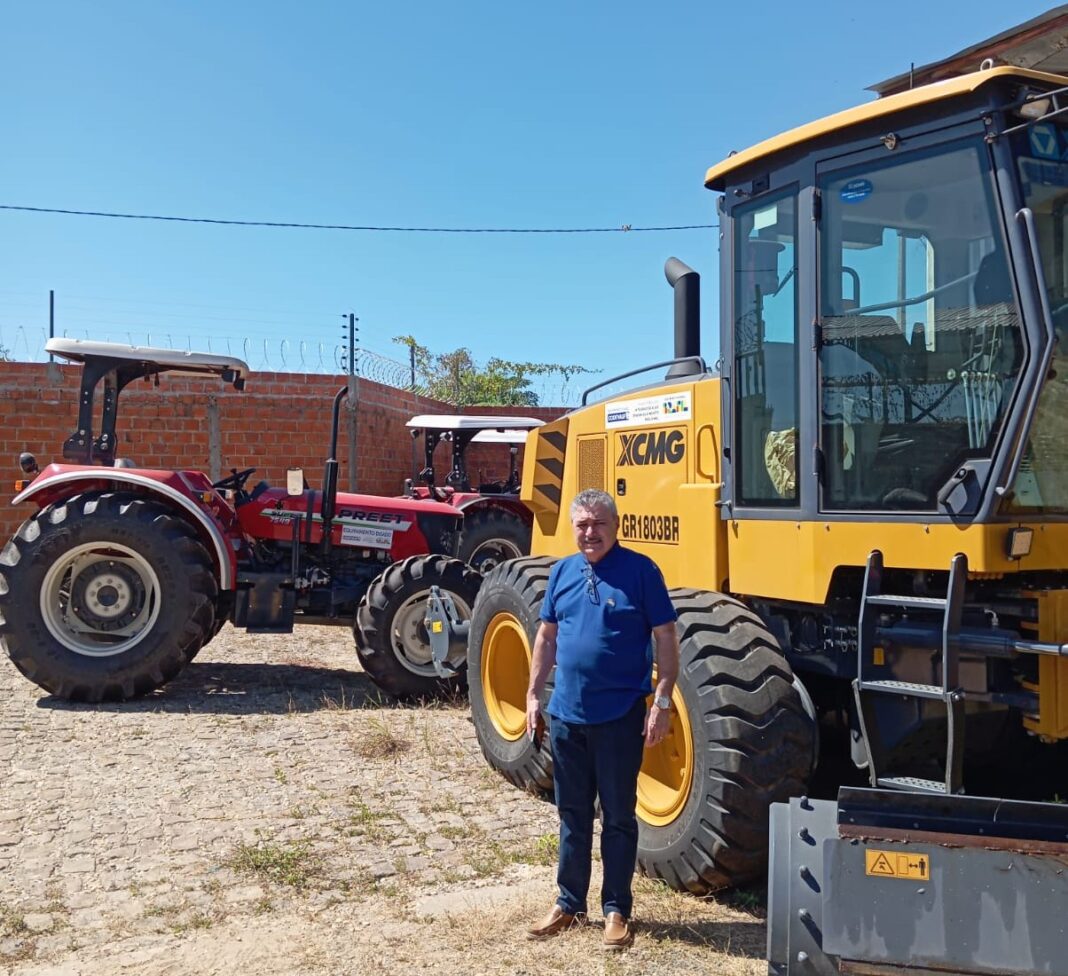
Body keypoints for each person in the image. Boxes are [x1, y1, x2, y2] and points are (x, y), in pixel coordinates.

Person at [524, 488, 679, 951]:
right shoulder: (562, 572)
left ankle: (616, 909)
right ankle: (569, 903)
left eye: (599, 524)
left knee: (617, 817)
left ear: (616, 526)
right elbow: (546, 637)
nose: (590, 532)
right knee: (572, 814)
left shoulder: (641, 572)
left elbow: (665, 635)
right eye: (582, 524)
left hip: (619, 716)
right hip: (567, 716)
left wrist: (662, 700)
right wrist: (533, 694)